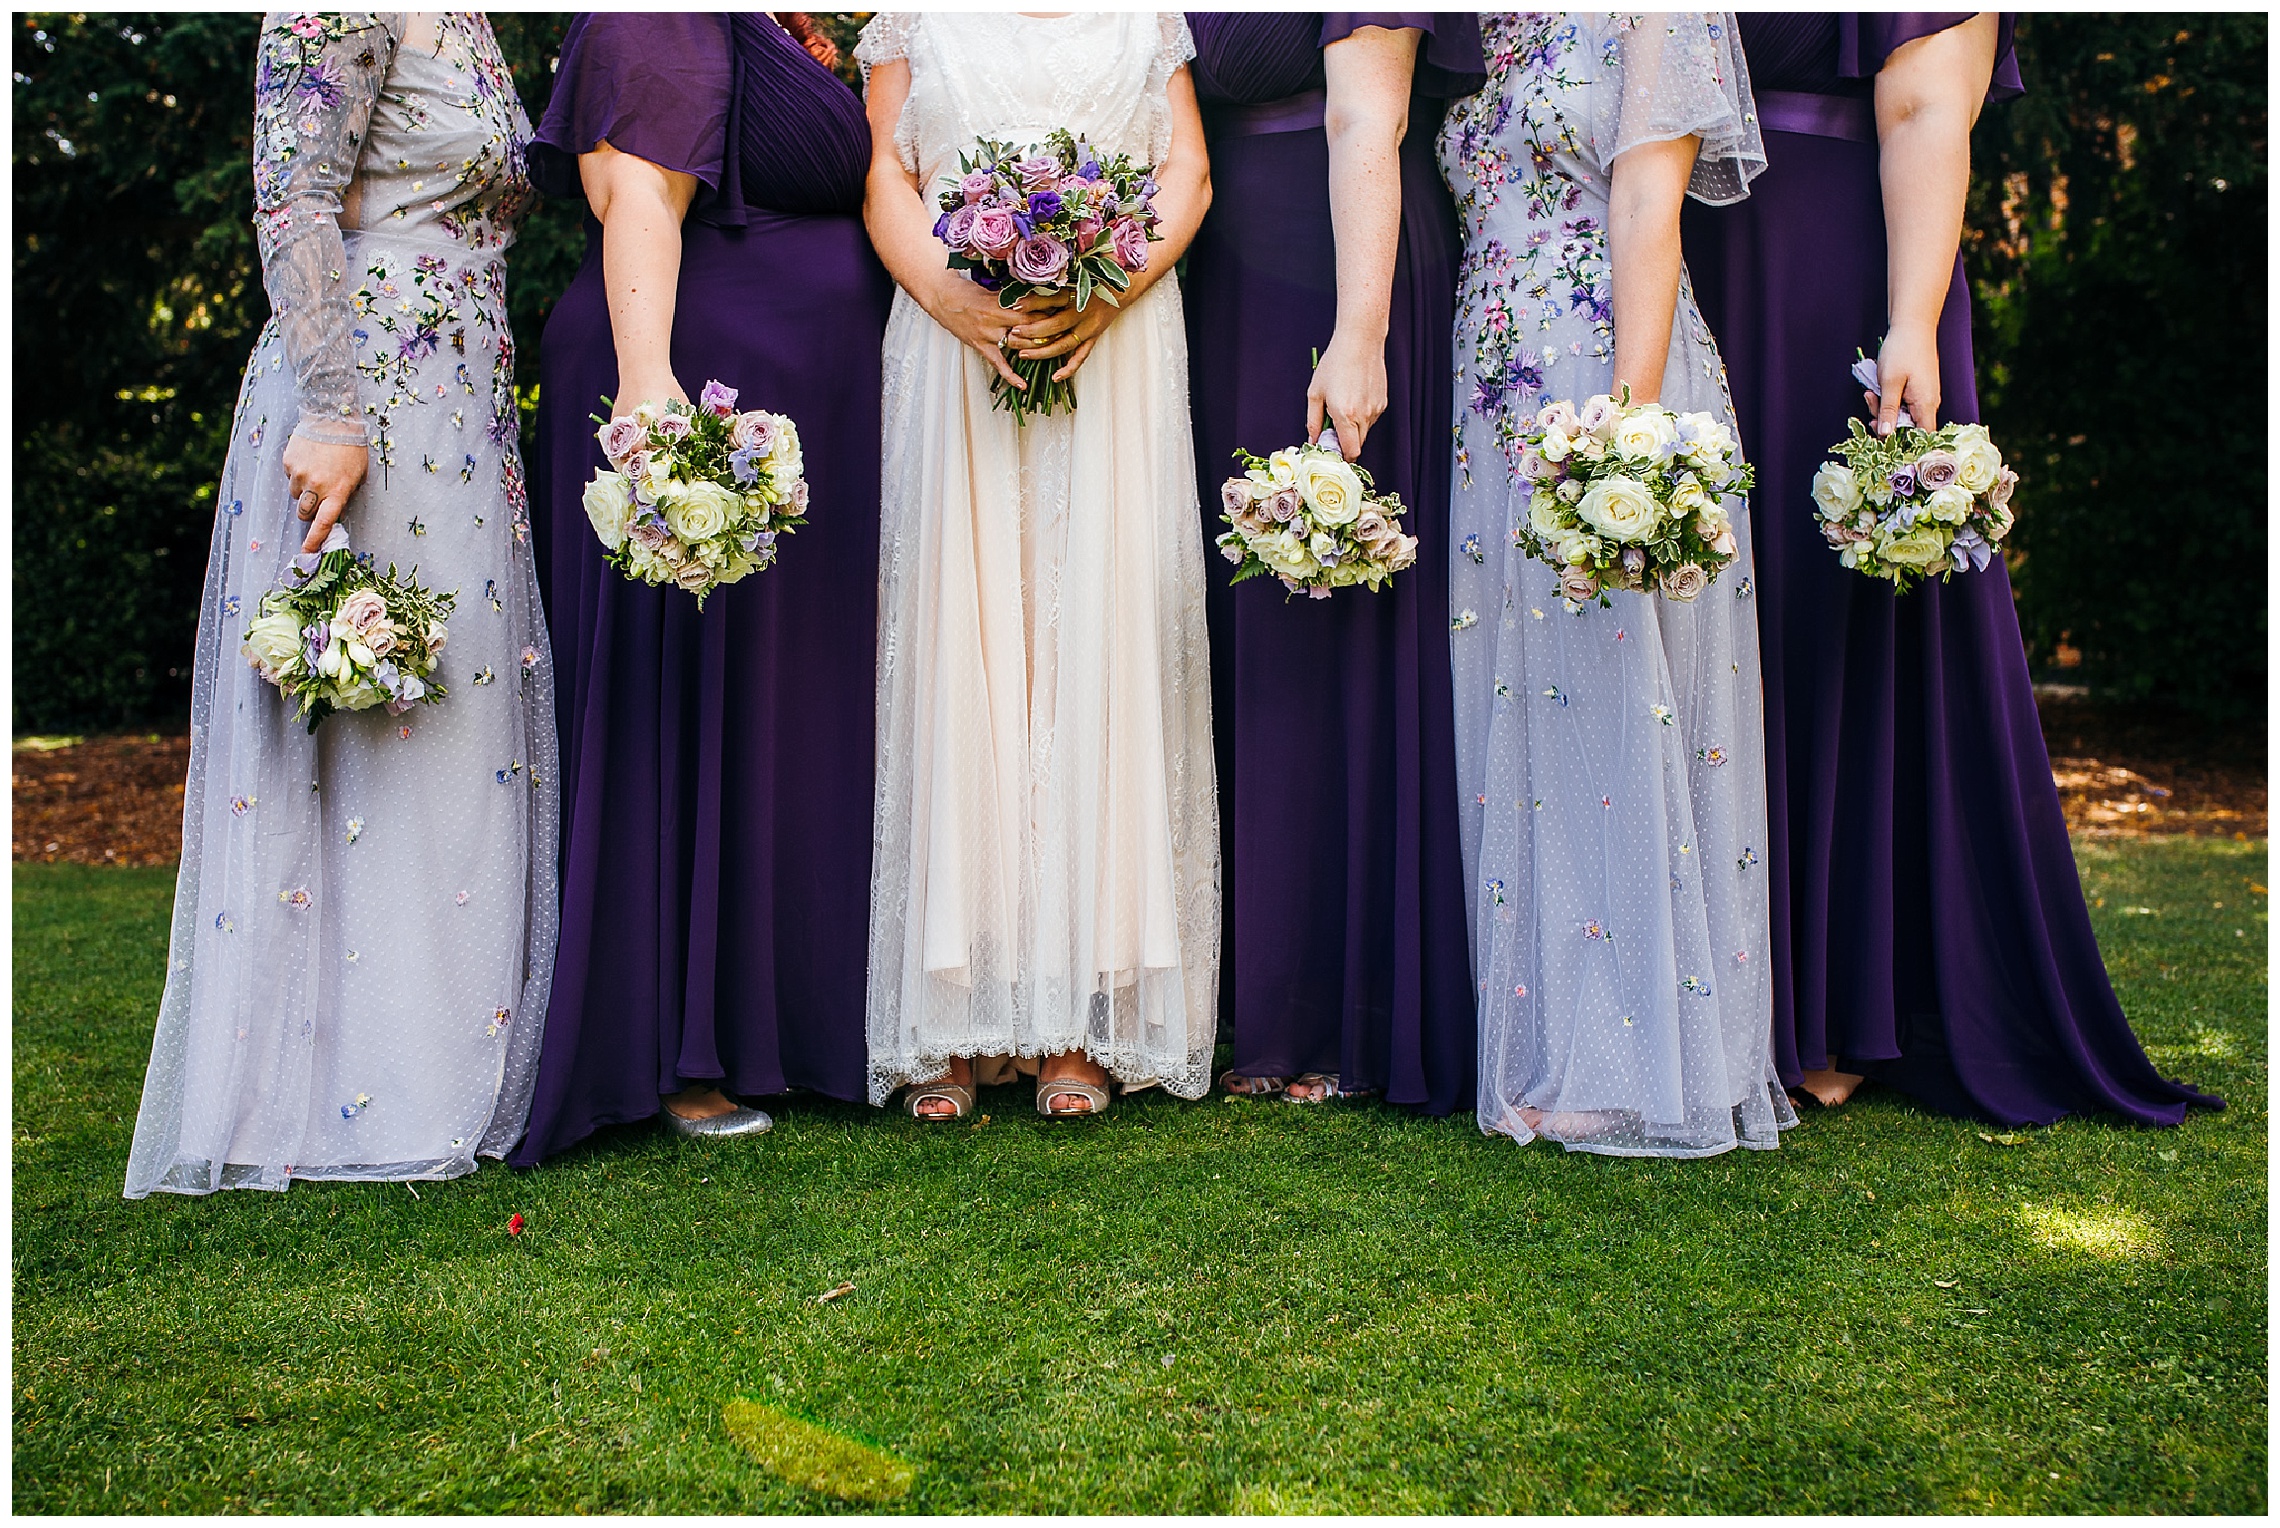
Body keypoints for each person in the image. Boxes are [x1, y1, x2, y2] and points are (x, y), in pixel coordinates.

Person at [1680, 14, 2219, 1125]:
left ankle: (1833, 1006)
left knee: (1822, 623)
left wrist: (1911, 320)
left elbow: (1928, 106)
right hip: (1688, 270)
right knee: (1705, 613)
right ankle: (1708, 985)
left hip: (1835, 266)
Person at [126, 12, 558, 1196]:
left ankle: (436, 1067)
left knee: (449, 718)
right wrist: (331, 407)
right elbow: (294, 198)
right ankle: (336, 1100)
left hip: (462, 394)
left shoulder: (462, 17)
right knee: (367, 703)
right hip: (369, 386)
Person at [511, 12, 892, 1161]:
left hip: (795, 400)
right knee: (692, 721)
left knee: (777, 721)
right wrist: (648, 394)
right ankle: (679, 1049)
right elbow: (637, 193)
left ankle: (777, 1021)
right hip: (704, 398)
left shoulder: (791, 21)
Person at [1438, 12, 1794, 1155]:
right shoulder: (1491, 23)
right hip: (1493, 384)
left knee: (1614, 697)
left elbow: (1650, 205)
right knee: (1533, 716)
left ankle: (1638, 1056)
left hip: (1603, 365)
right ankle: (1554, 1032)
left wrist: (1624, 432)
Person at [854, 12, 1218, 1119]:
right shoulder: (908, 17)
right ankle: (952, 1016)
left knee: (1093, 633)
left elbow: (1186, 171)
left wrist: (1112, 289)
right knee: (963, 638)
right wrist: (951, 299)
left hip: (1112, 343)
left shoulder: (1149, 15)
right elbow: (889, 173)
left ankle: (1085, 1014)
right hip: (956, 349)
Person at [1182, 13, 1483, 1111]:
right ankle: (1246, 987)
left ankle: (1344, 1008)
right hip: (1225, 275)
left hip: (1336, 256)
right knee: (1249, 615)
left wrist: (1361, 331)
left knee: (1333, 609)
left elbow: (1370, 108)